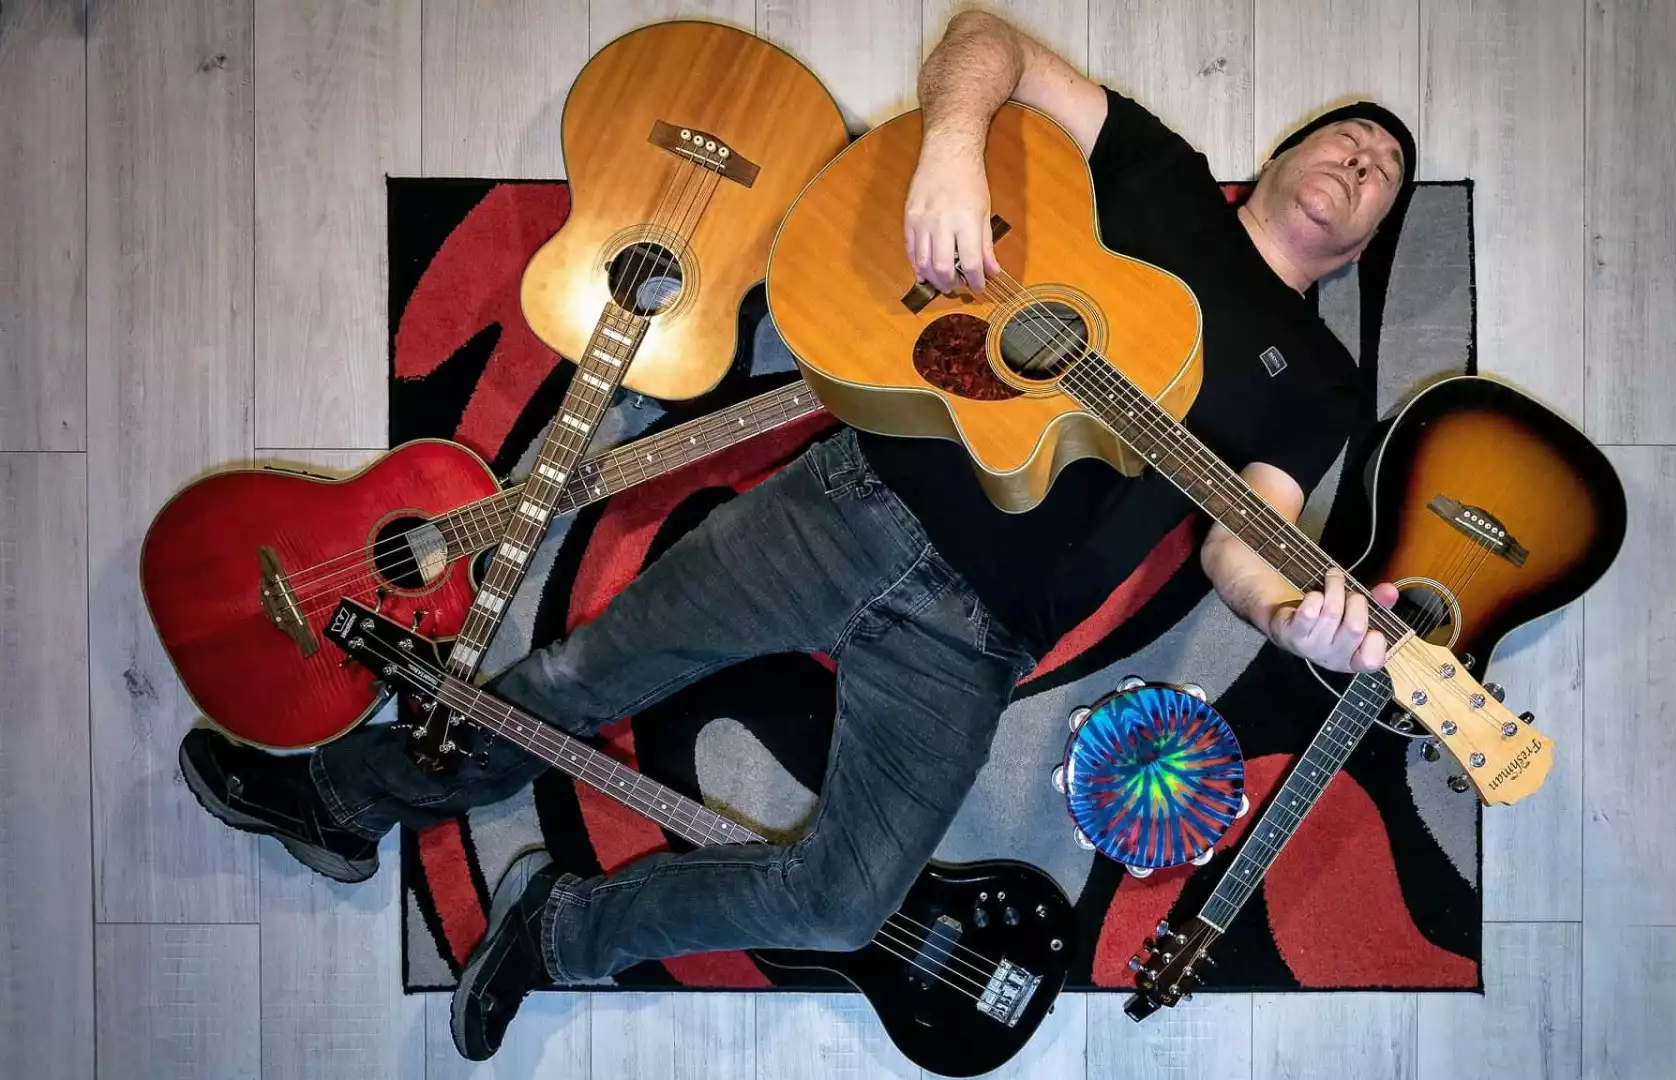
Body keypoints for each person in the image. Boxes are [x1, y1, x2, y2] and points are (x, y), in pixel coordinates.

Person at [176, 10, 1417, 1061]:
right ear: (1282, 151)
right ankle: (340, 798)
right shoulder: (1161, 171)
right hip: (859, 498)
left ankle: (561, 928)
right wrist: (952, 151)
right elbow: (984, 38)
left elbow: (1242, 540)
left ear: (1362, 243)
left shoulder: (1318, 387)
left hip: (981, 638)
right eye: (1350, 136)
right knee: (579, 675)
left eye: (1382, 175)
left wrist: (1289, 615)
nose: (1360, 159)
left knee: (845, 905)